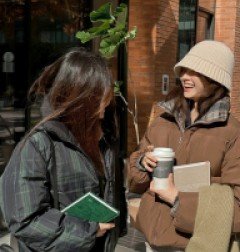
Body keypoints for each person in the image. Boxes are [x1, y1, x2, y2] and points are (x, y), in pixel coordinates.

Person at [0, 47, 127, 252]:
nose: (109, 97)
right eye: (103, 91)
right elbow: (24, 219)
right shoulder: (38, 145)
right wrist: (89, 231)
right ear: (83, 97)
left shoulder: (106, 137)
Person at [128, 40, 240, 251]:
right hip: (151, 238)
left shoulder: (232, 133)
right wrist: (142, 162)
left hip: (195, 243)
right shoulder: (163, 120)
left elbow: (237, 207)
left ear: (215, 78)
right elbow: (135, 182)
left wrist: (178, 198)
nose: (184, 77)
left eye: (194, 71)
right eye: (183, 70)